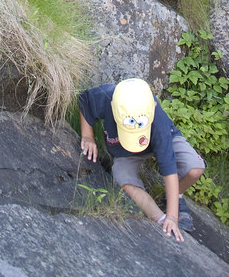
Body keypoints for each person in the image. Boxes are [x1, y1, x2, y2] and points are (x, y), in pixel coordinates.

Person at [78, 77, 204, 242]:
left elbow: (169, 166)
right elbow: (84, 100)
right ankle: (160, 220)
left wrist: (173, 216)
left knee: (195, 168)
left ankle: (174, 196)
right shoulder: (107, 96)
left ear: (153, 107)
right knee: (123, 179)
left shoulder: (158, 123)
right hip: (124, 149)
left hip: (158, 140)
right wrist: (88, 136)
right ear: (112, 106)